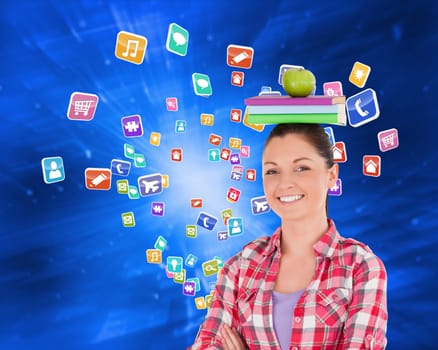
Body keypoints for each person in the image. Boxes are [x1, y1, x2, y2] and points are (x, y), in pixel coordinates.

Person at [190, 123, 388, 350]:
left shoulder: (361, 267)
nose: (284, 183)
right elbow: (207, 344)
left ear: (331, 175)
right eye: (272, 171)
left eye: (301, 168)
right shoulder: (240, 267)